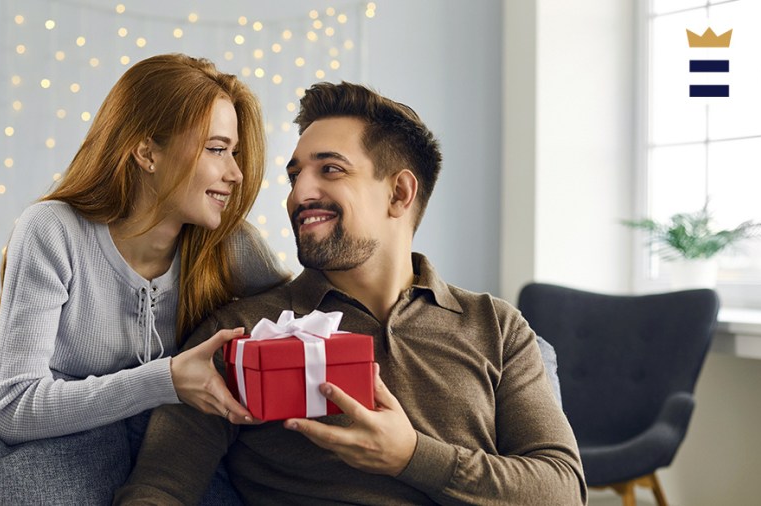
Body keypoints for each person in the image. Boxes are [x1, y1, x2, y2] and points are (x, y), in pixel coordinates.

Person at [113, 82, 587, 505]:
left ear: (399, 193)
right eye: (295, 175)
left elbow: (562, 487)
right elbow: (160, 488)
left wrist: (411, 456)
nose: (300, 194)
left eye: (331, 170)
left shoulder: (495, 327)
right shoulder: (238, 333)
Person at [0, 54, 291, 447]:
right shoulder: (52, 231)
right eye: (217, 149)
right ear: (147, 153)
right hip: (67, 459)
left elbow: (301, 315)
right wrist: (165, 380)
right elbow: (13, 407)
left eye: (234, 153)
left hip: (171, 461)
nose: (235, 174)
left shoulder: (230, 244)